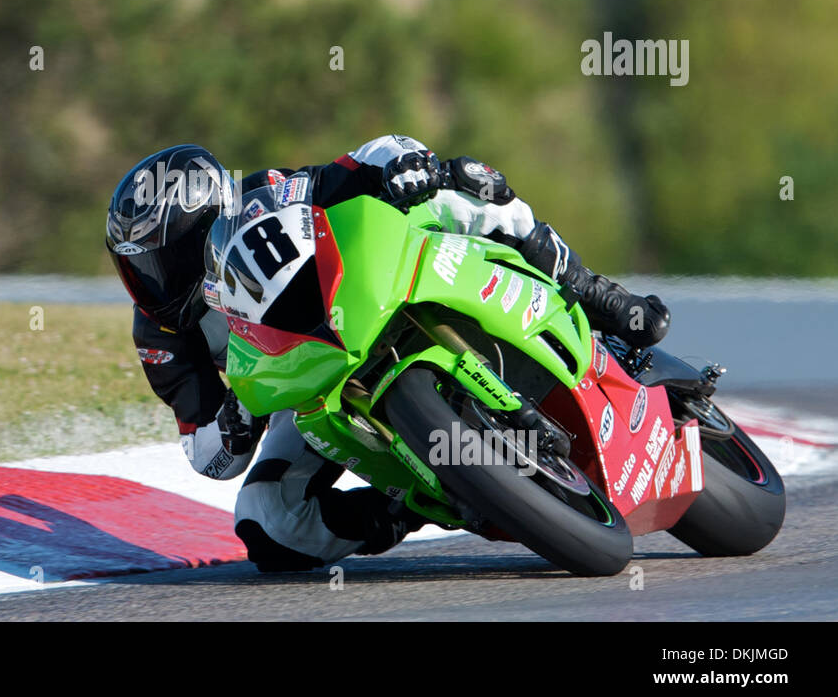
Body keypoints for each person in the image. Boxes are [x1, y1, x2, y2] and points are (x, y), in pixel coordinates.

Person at [104, 135, 669, 571]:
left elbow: (357, 164)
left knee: (462, 183)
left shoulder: (267, 195)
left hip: (371, 292)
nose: (152, 283)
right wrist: (233, 423)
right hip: (308, 388)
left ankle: (593, 290)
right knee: (264, 523)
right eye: (137, 268)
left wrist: (402, 165)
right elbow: (205, 456)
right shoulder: (161, 338)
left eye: (165, 260)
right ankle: (406, 508)